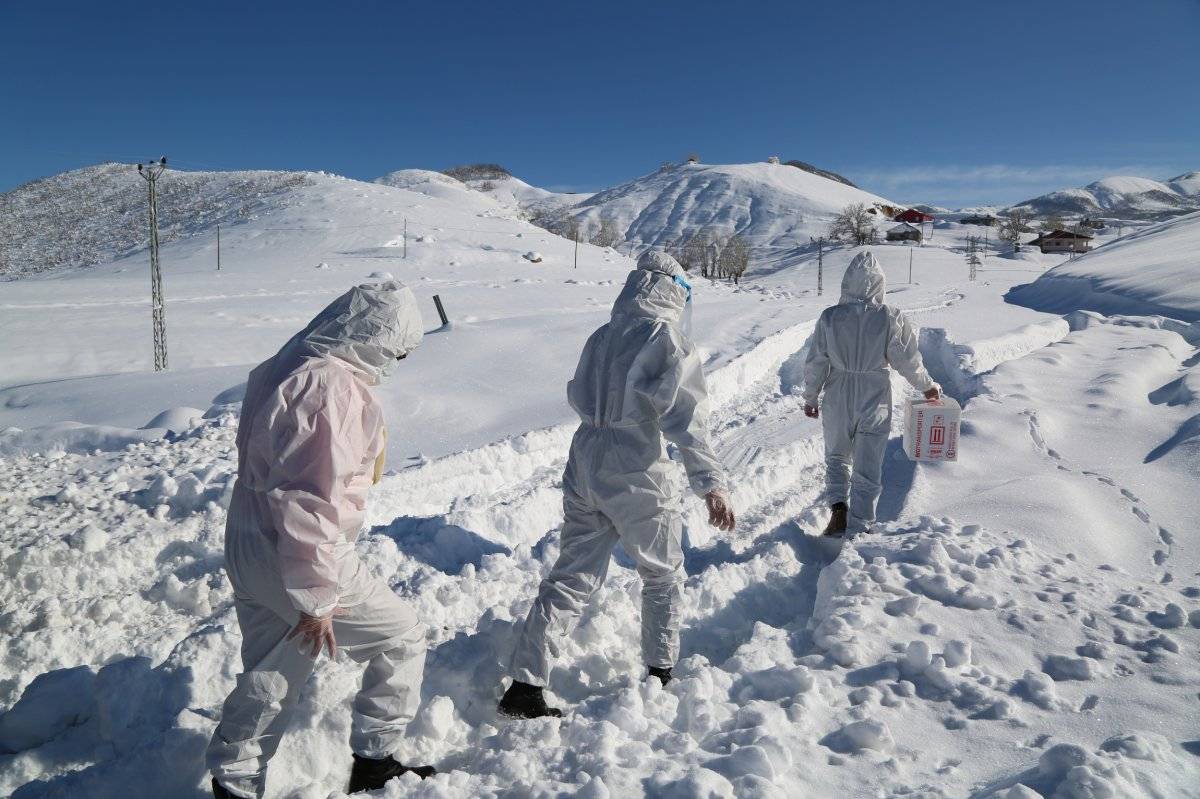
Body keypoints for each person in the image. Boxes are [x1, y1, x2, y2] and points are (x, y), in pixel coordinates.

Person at [207, 282, 435, 799]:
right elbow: (309, 497)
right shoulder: (329, 386)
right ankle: (375, 762)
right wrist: (316, 595)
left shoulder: (287, 366)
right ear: (377, 334)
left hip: (250, 534)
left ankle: (235, 781)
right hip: (298, 548)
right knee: (402, 637)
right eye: (399, 349)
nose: (398, 360)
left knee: (276, 663)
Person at [499, 250, 736, 719]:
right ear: (675, 291)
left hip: (585, 456)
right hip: (635, 462)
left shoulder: (601, 336)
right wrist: (711, 482)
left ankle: (525, 685)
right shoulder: (666, 338)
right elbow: (686, 418)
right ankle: (660, 671)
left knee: (571, 574)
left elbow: (579, 391)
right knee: (661, 572)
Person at [802, 251, 941, 537]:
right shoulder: (890, 317)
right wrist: (926, 385)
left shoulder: (830, 317)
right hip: (874, 394)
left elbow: (816, 361)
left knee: (837, 456)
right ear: (880, 282)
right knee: (868, 461)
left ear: (847, 282)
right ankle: (861, 525)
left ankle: (838, 509)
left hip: (838, 392)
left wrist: (811, 397)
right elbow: (906, 358)